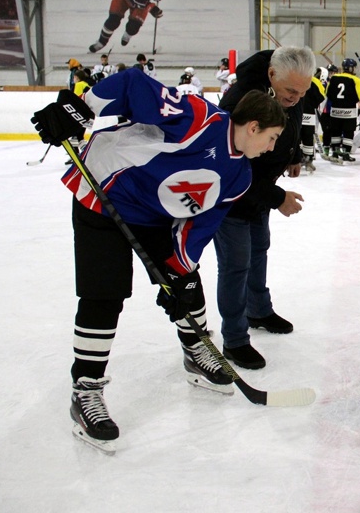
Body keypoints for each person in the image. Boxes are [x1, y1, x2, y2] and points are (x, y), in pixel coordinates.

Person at [29, 68, 287, 453]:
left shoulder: (239, 177)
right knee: (105, 295)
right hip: (104, 193)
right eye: (272, 138)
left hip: (152, 214)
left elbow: (197, 229)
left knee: (187, 280)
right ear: (252, 127)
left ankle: (197, 351)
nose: (271, 147)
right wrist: (84, 109)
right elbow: (133, 83)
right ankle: (86, 390)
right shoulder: (199, 118)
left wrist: (178, 273)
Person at [213, 46, 315, 369]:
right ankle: (235, 340)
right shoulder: (241, 100)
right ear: (272, 75)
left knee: (259, 248)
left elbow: (291, 118)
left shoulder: (289, 89)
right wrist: (276, 197)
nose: (297, 98)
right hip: (231, 198)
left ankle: (258, 309)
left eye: (304, 91)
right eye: (290, 91)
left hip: (259, 194)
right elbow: (232, 169)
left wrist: (293, 154)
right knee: (236, 263)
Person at [324, 58, 360, 164]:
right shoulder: (355, 79)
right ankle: (346, 153)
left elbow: (327, 93)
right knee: (348, 133)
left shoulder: (334, 78)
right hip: (349, 112)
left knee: (335, 132)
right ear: (352, 68)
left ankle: (335, 151)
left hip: (335, 111)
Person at [300, 67, 327, 172]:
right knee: (308, 137)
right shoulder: (316, 82)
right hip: (309, 114)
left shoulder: (298, 78)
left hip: (297, 113)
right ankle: (308, 159)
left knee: (297, 136)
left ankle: (296, 158)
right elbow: (320, 97)